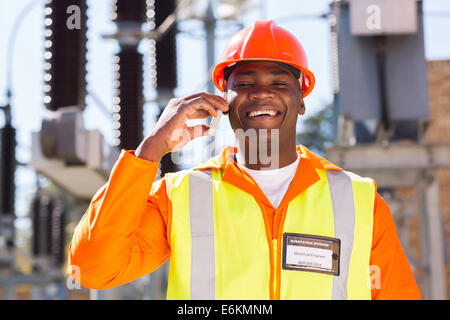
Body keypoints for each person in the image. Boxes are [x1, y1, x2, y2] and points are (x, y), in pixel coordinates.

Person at [67, 20, 421, 300]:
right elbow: (93, 269)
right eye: (245, 82)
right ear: (223, 102)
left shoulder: (359, 200)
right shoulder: (179, 196)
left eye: (279, 82)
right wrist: (150, 151)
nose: (261, 92)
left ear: (301, 100)